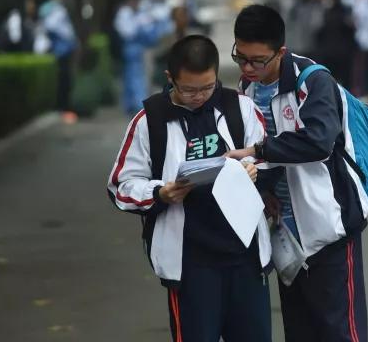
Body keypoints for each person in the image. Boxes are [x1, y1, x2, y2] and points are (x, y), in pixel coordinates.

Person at [107, 35, 272, 342]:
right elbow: (121, 185)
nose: (199, 96)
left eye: (207, 88)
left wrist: (254, 169)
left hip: (245, 257)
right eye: (189, 89)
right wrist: (160, 192)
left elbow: (266, 157)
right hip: (190, 264)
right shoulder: (149, 122)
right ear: (171, 79)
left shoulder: (240, 108)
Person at [227, 4, 368, 342]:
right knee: (301, 331)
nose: (247, 68)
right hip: (285, 234)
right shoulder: (248, 88)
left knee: (339, 331)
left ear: (280, 51)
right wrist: (263, 189)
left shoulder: (313, 81)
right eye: (240, 57)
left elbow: (318, 142)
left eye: (257, 60)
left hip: (328, 228)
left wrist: (261, 150)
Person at [38, 0, 78, 123]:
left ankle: (63, 107)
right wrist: (67, 37)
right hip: (62, 51)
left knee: (64, 80)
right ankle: (63, 107)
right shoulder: (56, 9)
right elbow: (54, 26)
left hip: (62, 50)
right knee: (63, 80)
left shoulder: (50, 9)